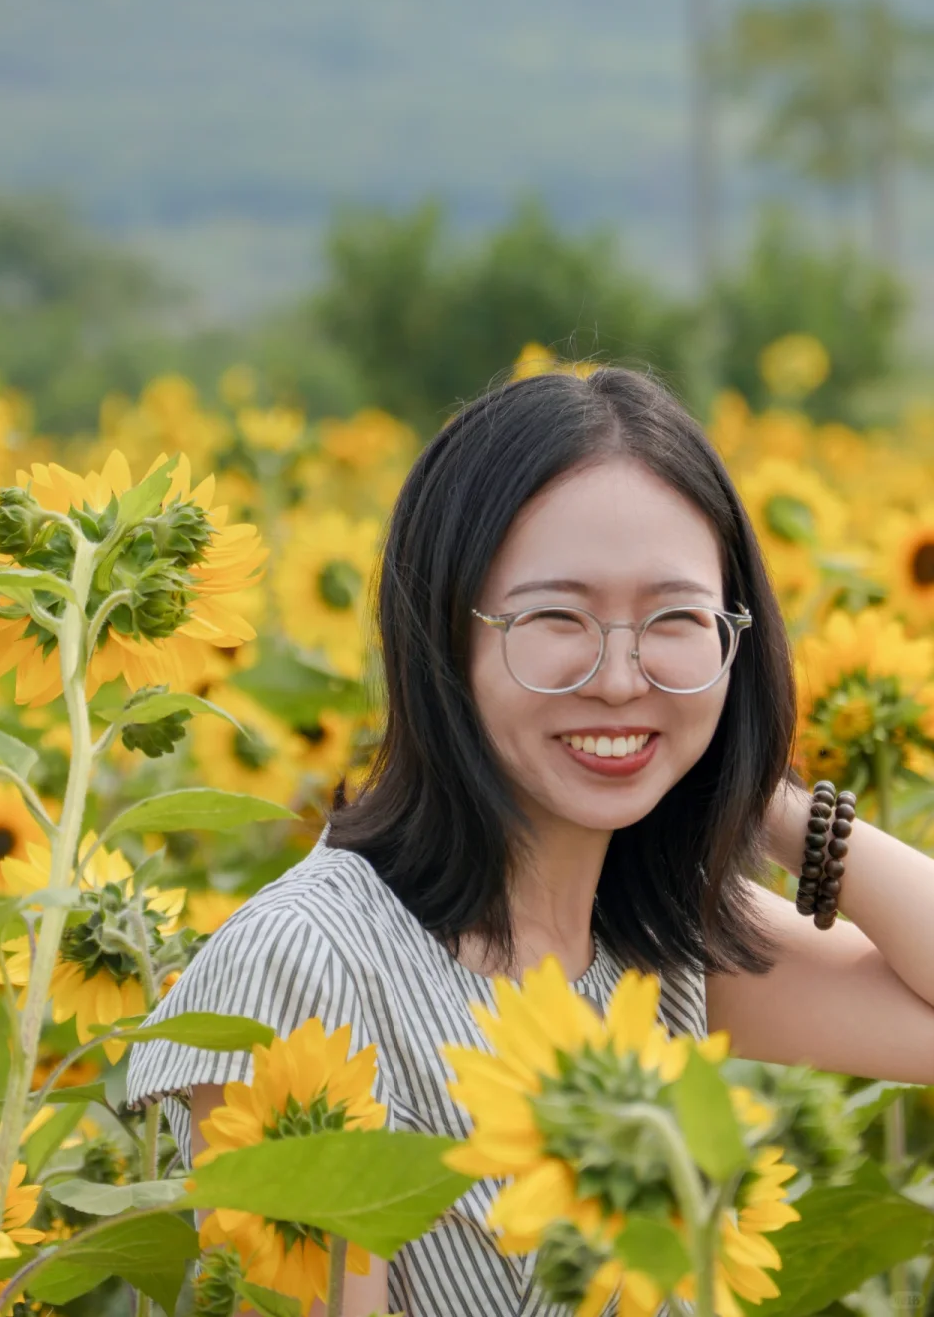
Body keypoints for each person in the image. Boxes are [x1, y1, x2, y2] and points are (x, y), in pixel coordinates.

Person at [127, 367, 934, 1317]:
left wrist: (762, 796)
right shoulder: (308, 968)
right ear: (441, 632)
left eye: (677, 618)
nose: (623, 675)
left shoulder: (648, 940)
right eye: (557, 616)